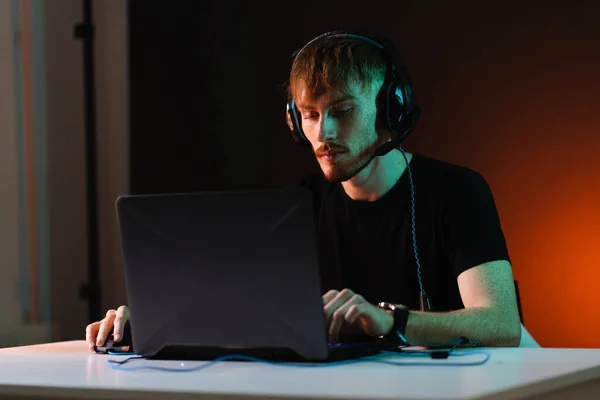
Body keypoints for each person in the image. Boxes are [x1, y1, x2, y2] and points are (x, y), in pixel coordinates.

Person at [86, 29, 522, 352]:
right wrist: (147, 322)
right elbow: (235, 310)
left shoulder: (456, 191)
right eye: (310, 115)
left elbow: (501, 324)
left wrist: (390, 321)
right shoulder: (299, 207)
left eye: (342, 111)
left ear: (392, 108)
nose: (323, 134)